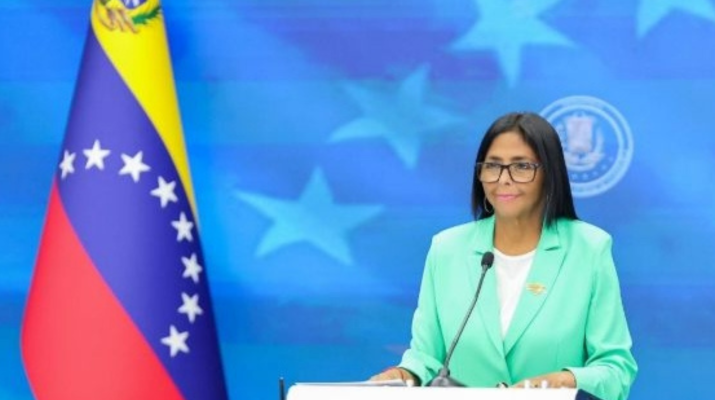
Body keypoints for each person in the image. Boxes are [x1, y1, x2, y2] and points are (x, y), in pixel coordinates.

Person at [370, 112, 637, 400]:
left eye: (521, 166)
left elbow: (615, 370)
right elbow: (425, 357)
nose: (504, 179)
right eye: (493, 166)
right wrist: (404, 375)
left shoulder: (589, 248)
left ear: (550, 174)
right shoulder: (447, 249)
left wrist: (566, 380)